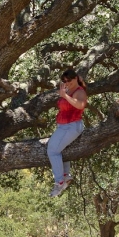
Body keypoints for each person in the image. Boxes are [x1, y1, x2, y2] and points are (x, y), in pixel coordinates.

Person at [47, 69, 87, 197]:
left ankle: (59, 182)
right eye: (64, 81)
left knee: (52, 151)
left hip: (71, 126)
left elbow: (80, 105)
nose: (67, 83)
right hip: (64, 127)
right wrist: (65, 95)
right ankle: (66, 175)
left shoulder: (80, 91)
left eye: (69, 80)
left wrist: (65, 96)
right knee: (61, 150)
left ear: (75, 78)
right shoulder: (68, 91)